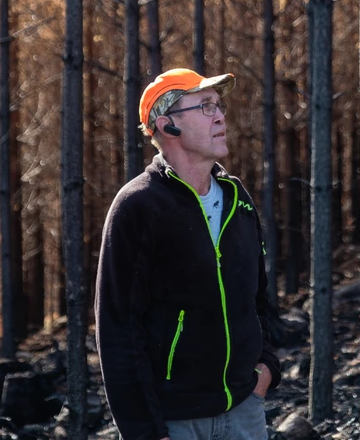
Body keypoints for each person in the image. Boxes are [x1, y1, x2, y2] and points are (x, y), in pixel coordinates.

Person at [95, 67, 281, 440]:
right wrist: (145, 431)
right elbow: (118, 330)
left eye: (219, 105)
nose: (220, 116)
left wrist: (267, 369)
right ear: (168, 126)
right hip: (175, 422)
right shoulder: (138, 206)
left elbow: (258, 296)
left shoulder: (236, 198)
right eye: (206, 106)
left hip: (245, 410)